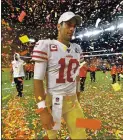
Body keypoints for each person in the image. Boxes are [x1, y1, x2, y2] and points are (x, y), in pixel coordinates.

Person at [32, 11, 86, 139]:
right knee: (51, 136)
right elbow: (37, 80)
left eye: (74, 26)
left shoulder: (77, 48)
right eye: (68, 25)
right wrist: (42, 110)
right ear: (58, 26)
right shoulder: (46, 45)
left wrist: (77, 94)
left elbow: (77, 75)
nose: (72, 29)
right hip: (53, 100)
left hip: (72, 100)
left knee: (80, 135)